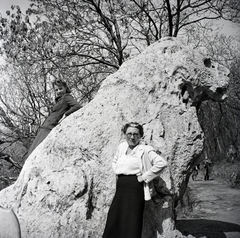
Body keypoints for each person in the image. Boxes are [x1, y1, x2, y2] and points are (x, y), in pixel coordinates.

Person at [103, 122, 168, 238]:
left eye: (135, 134)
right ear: (124, 134)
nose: (132, 137)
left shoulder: (145, 149)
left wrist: (144, 177)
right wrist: (117, 170)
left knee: (132, 221)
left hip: (135, 189)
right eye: (129, 134)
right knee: (114, 218)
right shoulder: (122, 147)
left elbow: (162, 163)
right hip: (121, 188)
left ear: (140, 136)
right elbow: (114, 160)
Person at [27, 80, 81, 156]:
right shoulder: (59, 100)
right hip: (45, 126)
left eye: (60, 88)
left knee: (37, 152)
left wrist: (65, 115)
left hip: (50, 127)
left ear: (65, 88)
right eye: (56, 90)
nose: (58, 91)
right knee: (32, 151)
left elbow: (77, 106)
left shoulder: (67, 97)